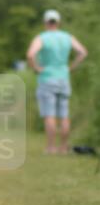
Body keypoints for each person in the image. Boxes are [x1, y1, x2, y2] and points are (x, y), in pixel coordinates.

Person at [27, 10, 87, 155]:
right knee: (64, 115)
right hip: (64, 78)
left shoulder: (42, 37)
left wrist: (37, 68)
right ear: (58, 22)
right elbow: (82, 52)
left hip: (47, 78)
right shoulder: (67, 37)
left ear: (45, 22)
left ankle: (51, 147)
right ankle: (63, 147)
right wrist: (71, 67)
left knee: (50, 114)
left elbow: (30, 54)